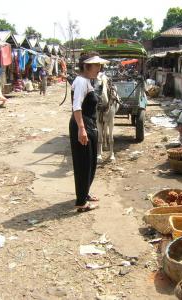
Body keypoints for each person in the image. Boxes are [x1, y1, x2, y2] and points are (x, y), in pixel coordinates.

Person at [69, 52, 109, 212]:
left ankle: (85, 194)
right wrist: (81, 129)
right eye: (96, 65)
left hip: (89, 124)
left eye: (100, 65)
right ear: (86, 66)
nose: (99, 68)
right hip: (82, 124)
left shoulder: (87, 81)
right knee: (83, 164)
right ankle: (81, 203)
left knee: (91, 163)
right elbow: (76, 107)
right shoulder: (80, 82)